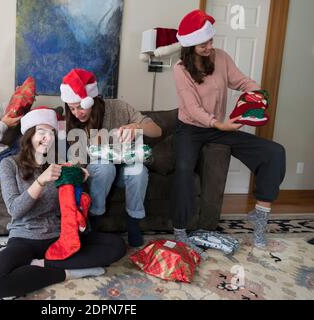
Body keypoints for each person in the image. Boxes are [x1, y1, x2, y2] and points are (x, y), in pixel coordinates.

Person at [0, 107, 126, 298]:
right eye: (42, 132)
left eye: (51, 133)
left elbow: (71, 207)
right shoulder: (10, 164)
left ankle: (40, 265)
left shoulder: (58, 164)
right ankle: (67, 272)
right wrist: (41, 181)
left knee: (117, 246)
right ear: (29, 134)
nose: (47, 138)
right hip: (26, 238)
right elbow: (15, 209)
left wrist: (79, 181)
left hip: (61, 236)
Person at [171, 10, 286, 251]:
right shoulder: (180, 69)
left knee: (274, 152)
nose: (209, 46)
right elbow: (192, 108)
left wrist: (257, 97)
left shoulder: (221, 57)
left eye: (210, 41)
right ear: (191, 45)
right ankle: (180, 228)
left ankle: (260, 216)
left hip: (217, 127)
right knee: (183, 170)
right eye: (204, 43)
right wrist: (218, 124)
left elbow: (243, 82)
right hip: (190, 129)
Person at [60, 68, 162, 247]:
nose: (77, 113)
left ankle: (133, 222)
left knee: (139, 171)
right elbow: (78, 160)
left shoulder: (119, 107)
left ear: (91, 100)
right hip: (99, 173)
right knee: (105, 166)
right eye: (72, 108)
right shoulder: (74, 122)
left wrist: (136, 126)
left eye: (80, 107)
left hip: (124, 171)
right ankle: (95, 220)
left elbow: (157, 130)